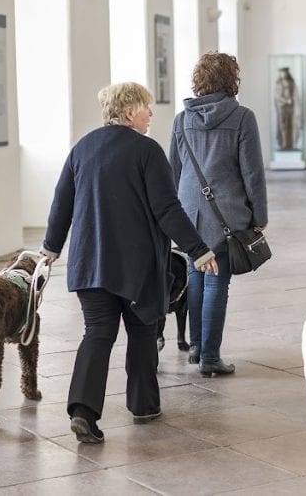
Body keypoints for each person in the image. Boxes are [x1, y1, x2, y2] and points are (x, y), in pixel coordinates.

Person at [41, 82, 218, 444]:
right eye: (146, 107)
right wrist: (198, 249)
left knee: (98, 334)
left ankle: (83, 412)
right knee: (141, 331)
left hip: (90, 264)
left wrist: (50, 248)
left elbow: (61, 202)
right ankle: (143, 405)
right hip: (136, 266)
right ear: (127, 112)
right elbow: (167, 208)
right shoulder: (147, 151)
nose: (151, 114)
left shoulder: (82, 148)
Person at [170, 52, 268, 377]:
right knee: (216, 282)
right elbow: (252, 173)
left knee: (197, 275)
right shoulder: (242, 117)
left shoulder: (180, 119)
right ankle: (210, 357)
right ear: (232, 79)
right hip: (225, 216)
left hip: (187, 213)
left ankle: (198, 347)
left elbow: (174, 170)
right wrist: (259, 214)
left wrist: (172, 215)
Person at [274, 67, 299, 150]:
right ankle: (284, 143)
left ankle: (290, 143)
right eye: (281, 73)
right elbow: (277, 96)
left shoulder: (291, 83)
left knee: (290, 125)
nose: (283, 74)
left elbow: (295, 94)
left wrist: (292, 100)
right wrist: (285, 100)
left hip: (290, 107)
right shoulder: (278, 84)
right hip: (282, 107)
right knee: (283, 125)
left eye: (284, 72)